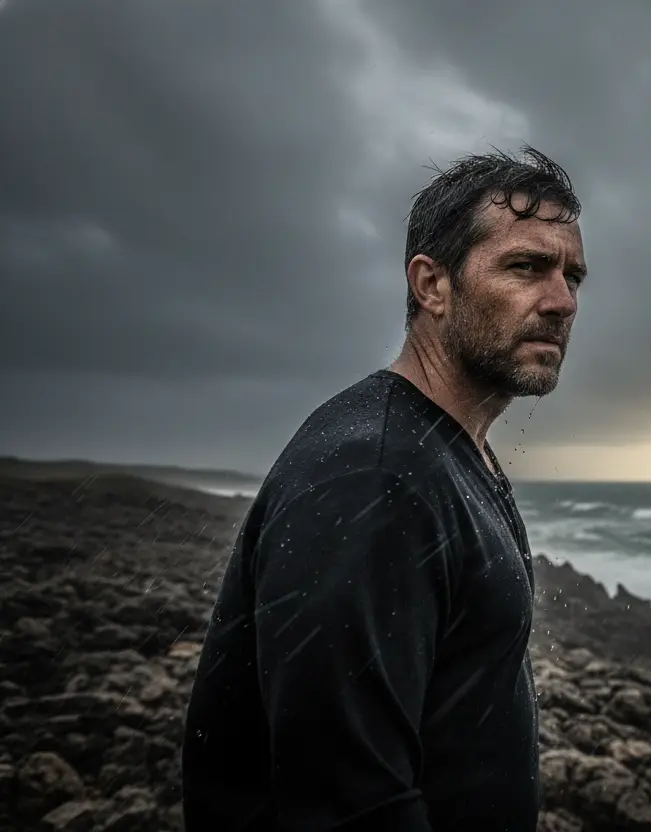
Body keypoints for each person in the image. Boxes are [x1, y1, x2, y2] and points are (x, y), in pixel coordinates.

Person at [181, 146, 587, 831]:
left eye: (572, 276)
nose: (562, 302)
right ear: (432, 285)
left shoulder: (446, 452)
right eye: (526, 267)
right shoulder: (376, 476)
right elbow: (346, 800)